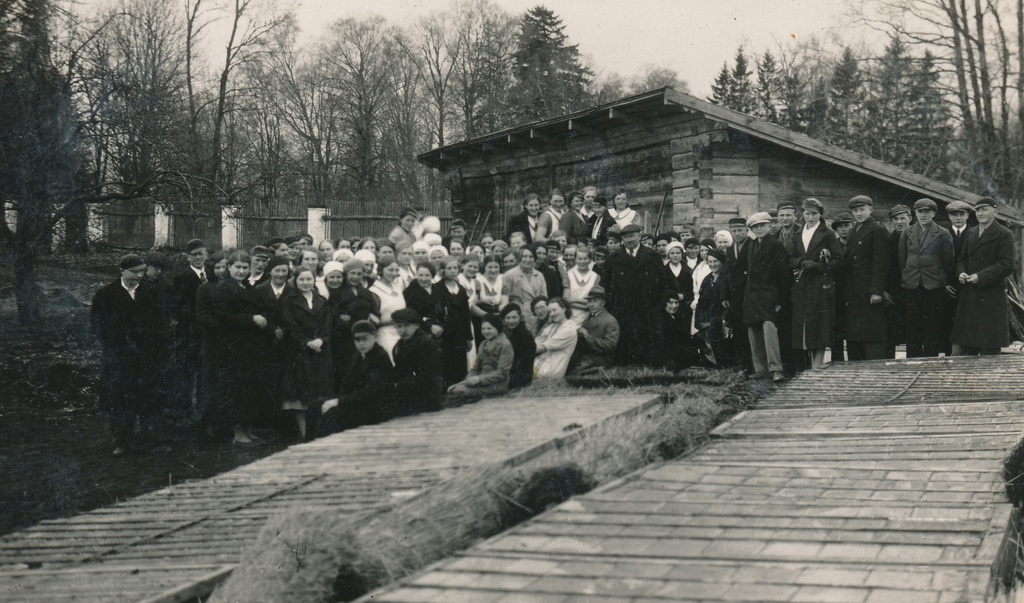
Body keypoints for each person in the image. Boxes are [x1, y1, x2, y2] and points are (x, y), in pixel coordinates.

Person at [91, 254, 162, 455]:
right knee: (119, 398)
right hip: (119, 357)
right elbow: (98, 326)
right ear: (122, 270)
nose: (139, 276)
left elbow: (159, 324)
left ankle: (147, 439)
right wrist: (116, 346)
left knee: (146, 396)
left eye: (142, 271)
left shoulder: (151, 293)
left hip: (146, 356)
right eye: (135, 272)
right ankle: (121, 440)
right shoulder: (106, 295)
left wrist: (151, 347)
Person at [196, 250, 266, 444]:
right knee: (236, 389)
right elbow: (223, 317)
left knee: (249, 388)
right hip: (232, 346)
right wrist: (251, 319)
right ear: (229, 268)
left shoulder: (248, 288)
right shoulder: (223, 289)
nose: (242, 271)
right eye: (238, 267)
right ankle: (238, 432)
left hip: (250, 345)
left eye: (245, 267)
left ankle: (248, 429)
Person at [951, 197, 1016, 355]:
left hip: (991, 298)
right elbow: (961, 259)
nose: (980, 213)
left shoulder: (1004, 233)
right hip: (969, 296)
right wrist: (961, 273)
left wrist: (980, 276)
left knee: (989, 350)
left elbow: (1007, 264)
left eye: (984, 209)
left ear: (995, 211)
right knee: (963, 349)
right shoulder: (972, 232)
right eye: (978, 210)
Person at [785, 198, 843, 370]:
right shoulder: (797, 233)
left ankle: (817, 362)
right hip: (802, 284)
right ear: (802, 214)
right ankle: (806, 365)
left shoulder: (828, 234)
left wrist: (820, 266)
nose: (810, 217)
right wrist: (802, 262)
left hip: (820, 284)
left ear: (820, 214)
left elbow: (839, 260)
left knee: (820, 323)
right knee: (803, 323)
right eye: (807, 214)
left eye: (814, 214)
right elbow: (790, 257)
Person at [280, 266, 334, 440]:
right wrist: (306, 342)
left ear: (313, 281)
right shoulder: (289, 301)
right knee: (300, 394)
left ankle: (319, 431)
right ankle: (304, 434)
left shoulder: (321, 300)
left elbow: (328, 323)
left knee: (319, 391)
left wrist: (321, 340)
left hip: (320, 351)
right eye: (301, 279)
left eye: (308, 279)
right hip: (299, 352)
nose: (305, 283)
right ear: (295, 281)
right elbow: (290, 325)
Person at [315, 320, 395, 437]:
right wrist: (337, 400)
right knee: (316, 406)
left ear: (375, 337)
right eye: (357, 340)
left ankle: (326, 447)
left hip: (376, 408)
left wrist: (339, 402)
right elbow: (347, 382)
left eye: (365, 339)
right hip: (360, 404)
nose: (361, 343)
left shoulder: (380, 358)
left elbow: (371, 392)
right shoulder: (358, 355)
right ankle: (310, 443)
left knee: (333, 414)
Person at [899, 198, 955, 358]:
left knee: (932, 326)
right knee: (912, 326)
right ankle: (913, 360)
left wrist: (938, 280)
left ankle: (931, 361)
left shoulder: (943, 233)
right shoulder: (906, 232)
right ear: (915, 213)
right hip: (911, 285)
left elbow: (948, 262)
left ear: (933, 213)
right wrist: (908, 277)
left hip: (934, 286)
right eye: (919, 212)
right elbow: (902, 260)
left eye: (926, 212)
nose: (923, 215)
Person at [604, 223, 664, 365]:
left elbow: (662, 282)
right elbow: (605, 284)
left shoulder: (652, 256)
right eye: (625, 237)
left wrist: (656, 303)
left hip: (647, 304)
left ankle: (647, 363)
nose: (629, 240)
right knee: (626, 334)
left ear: (639, 235)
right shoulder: (614, 258)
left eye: (632, 236)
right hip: (623, 306)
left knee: (646, 334)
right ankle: (626, 363)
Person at [743, 213, 791, 382]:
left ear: (769, 226)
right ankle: (760, 368)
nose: (759, 229)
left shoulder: (776, 245)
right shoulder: (752, 245)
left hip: (770, 296)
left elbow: (784, 275)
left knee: (769, 329)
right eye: (755, 227)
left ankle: (776, 369)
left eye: (762, 225)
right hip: (753, 296)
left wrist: (780, 301)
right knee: (753, 332)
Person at [842, 195, 891, 361]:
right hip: (853, 291)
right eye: (855, 211)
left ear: (870, 209)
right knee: (855, 334)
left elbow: (881, 263)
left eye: (862, 210)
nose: (859, 213)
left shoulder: (878, 229)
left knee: (872, 334)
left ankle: (875, 371)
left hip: (869, 292)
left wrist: (877, 291)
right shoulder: (852, 231)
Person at [249, 256, 292, 426]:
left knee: (286, 381)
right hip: (266, 341)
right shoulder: (259, 290)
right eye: (277, 270)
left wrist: (284, 330)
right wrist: (273, 330)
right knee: (267, 380)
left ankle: (285, 422)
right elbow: (258, 313)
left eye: (284, 271)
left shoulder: (293, 290)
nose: (281, 274)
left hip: (288, 341)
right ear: (270, 271)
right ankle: (267, 422)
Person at [170, 238, 208, 425]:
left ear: (206, 254)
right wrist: (198, 318)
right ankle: (183, 415)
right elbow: (177, 308)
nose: (198, 258)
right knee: (186, 374)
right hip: (188, 335)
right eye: (194, 255)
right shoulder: (182, 278)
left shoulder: (212, 275)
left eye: (201, 254)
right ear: (188, 257)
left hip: (207, 335)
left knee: (204, 374)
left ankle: (203, 414)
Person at [386, 308, 445, 416]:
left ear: (417, 325)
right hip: (409, 392)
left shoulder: (426, 344)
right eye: (399, 326)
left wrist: (397, 386)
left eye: (407, 325)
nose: (403, 330)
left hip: (426, 397)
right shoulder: (400, 345)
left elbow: (427, 376)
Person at [446, 313, 514, 402]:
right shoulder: (483, 344)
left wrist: (478, 379)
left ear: (498, 328)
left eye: (489, 328)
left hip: (497, 384)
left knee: (459, 391)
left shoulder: (505, 344)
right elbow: (475, 368)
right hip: (481, 381)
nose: (486, 332)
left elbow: (502, 373)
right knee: (451, 388)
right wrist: (469, 380)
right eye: (483, 329)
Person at [431, 255, 473, 388]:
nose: (453, 270)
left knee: (460, 362)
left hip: (460, 334)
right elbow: (436, 312)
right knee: (446, 364)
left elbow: (466, 314)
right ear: (443, 270)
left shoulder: (461, 290)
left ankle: (458, 390)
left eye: (455, 268)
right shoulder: (437, 289)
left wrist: (468, 337)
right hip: (445, 334)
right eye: (449, 268)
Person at [569, 286, 619, 373]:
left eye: (595, 301)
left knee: (571, 371)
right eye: (589, 301)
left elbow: (610, 346)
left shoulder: (611, 321)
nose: (591, 304)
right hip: (585, 356)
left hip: (599, 360)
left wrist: (588, 337)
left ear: (603, 303)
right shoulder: (589, 316)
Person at [694, 249, 731, 367]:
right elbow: (701, 302)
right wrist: (699, 322)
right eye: (709, 262)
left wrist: (713, 322)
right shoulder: (707, 279)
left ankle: (722, 366)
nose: (712, 264)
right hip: (706, 319)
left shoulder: (727, 278)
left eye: (715, 261)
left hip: (721, 319)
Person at [726, 217, 752, 372]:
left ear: (746, 231)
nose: (737, 234)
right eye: (734, 231)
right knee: (737, 329)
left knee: (749, 329)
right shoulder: (730, 250)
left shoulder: (752, 246)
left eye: (740, 230)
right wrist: (724, 296)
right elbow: (726, 274)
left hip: (748, 294)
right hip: (734, 296)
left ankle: (751, 364)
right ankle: (741, 363)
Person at [504, 246, 548, 332]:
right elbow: (505, 299)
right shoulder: (510, 275)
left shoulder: (539, 275)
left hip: (536, 315)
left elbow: (544, 297)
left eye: (531, 257)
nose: (528, 259)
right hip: (518, 315)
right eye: (524, 256)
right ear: (519, 258)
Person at [369, 257, 406, 360]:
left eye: (396, 270)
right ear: (381, 270)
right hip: (384, 335)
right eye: (390, 270)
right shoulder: (374, 291)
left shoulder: (398, 288)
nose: (394, 273)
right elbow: (374, 320)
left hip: (402, 333)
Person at [533, 298, 579, 379]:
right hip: (542, 364)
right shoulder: (553, 326)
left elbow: (542, 347)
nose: (552, 314)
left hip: (552, 370)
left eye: (554, 310)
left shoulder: (569, 329)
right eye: (550, 312)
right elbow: (538, 341)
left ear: (564, 309)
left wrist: (523, 350)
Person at [500, 304, 536, 390]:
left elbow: (522, 362)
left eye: (514, 317)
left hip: (520, 377)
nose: (511, 321)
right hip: (511, 372)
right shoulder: (511, 332)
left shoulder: (525, 335)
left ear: (520, 317)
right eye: (507, 318)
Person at [563, 246, 600, 328]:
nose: (582, 261)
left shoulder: (595, 277)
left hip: (587, 320)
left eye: (585, 258)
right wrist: (585, 304)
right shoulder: (569, 275)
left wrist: (574, 299)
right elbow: (565, 300)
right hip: (569, 318)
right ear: (575, 259)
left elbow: (592, 304)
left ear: (590, 260)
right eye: (579, 259)